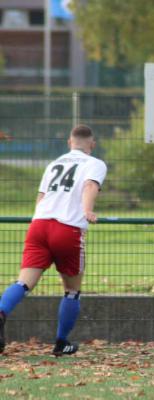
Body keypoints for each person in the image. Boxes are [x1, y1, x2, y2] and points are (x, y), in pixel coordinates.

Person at [0, 125, 107, 356]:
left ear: (69, 142)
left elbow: (41, 197)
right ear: (92, 144)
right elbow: (89, 185)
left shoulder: (54, 164)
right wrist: (87, 210)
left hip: (38, 225)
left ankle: (1, 312)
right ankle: (61, 342)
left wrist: (39, 223)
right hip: (67, 228)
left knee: (24, 282)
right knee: (72, 290)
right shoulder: (95, 163)